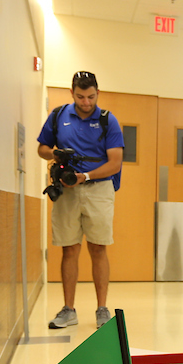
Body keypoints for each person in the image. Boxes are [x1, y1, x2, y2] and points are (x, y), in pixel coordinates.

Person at [37, 71, 125, 329]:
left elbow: (115, 163)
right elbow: (42, 148)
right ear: (72, 92)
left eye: (91, 96)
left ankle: (101, 309)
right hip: (67, 190)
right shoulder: (58, 115)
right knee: (69, 248)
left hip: (98, 189)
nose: (86, 102)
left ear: (98, 93)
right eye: (80, 96)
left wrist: (84, 176)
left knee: (98, 248)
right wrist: (56, 153)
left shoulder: (109, 121)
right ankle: (69, 310)